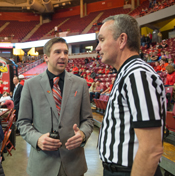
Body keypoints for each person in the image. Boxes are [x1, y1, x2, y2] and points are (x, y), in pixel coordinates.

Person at [96, 14, 166, 176]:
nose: (97, 47)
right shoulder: (128, 73)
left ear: (122, 40)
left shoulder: (137, 75)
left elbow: (151, 149)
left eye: (101, 40)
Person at [17, 37, 94, 176]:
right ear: (45, 57)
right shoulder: (30, 85)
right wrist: (37, 139)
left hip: (73, 164)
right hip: (42, 165)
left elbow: (88, 120)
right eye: (57, 52)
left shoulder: (80, 84)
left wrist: (82, 134)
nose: (63, 56)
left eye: (65, 52)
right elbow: (23, 122)